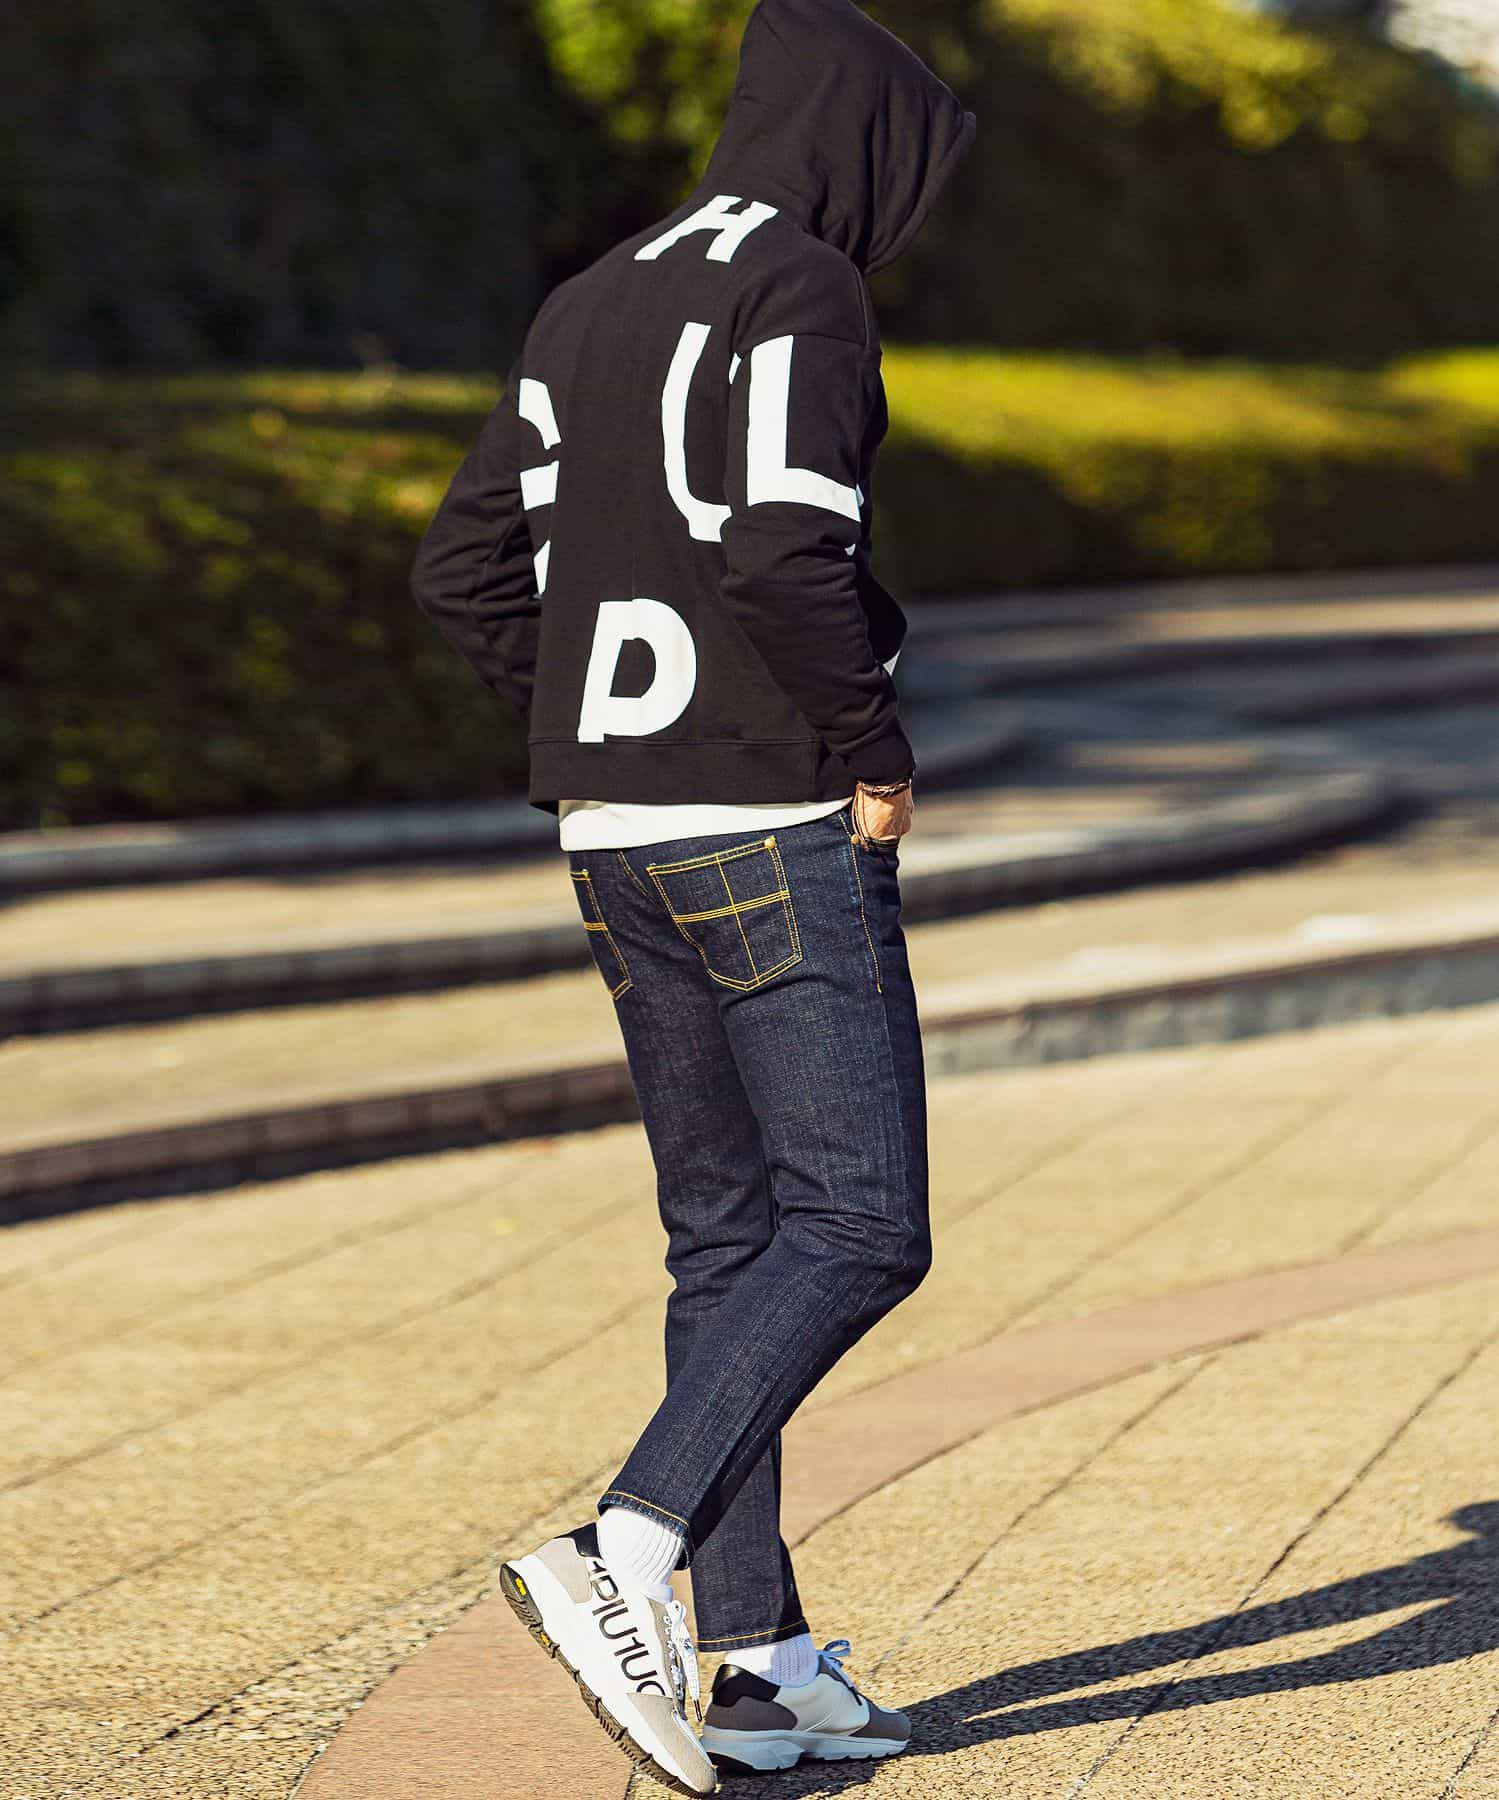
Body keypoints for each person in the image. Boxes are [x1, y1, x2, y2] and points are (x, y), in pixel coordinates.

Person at [411, 1, 974, 1788]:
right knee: (862, 1227)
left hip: (613, 833)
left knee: (728, 1246)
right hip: (769, 823)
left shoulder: (587, 299)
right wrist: (870, 742)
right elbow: (786, 545)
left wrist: (592, 724)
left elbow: (464, 571)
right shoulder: (803, 289)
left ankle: (759, 1666)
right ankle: (623, 1549)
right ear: (862, 141)